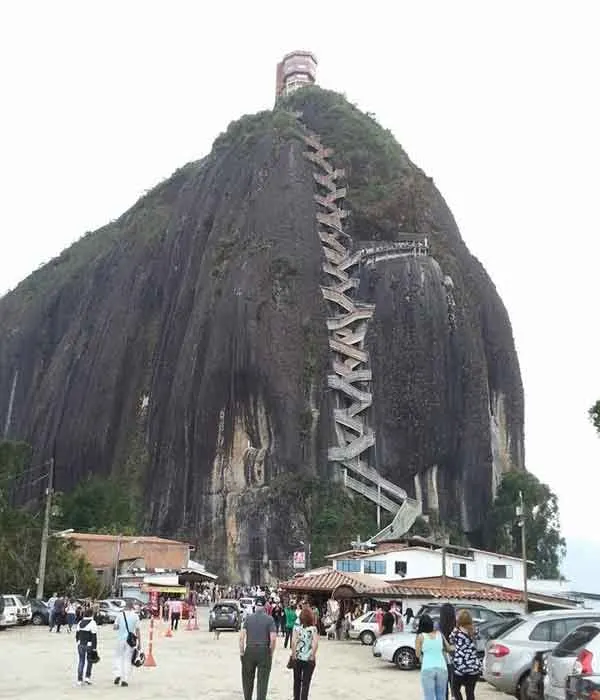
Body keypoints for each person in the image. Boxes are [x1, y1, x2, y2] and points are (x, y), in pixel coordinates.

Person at [239, 596, 277, 700]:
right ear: (265, 606)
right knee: (262, 682)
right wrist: (271, 652)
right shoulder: (270, 619)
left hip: (250, 649)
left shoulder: (248, 618)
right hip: (264, 650)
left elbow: (241, 638)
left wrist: (242, 652)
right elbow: (273, 639)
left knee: (247, 679)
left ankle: (247, 698)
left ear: (255, 606)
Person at [416, 614, 455, 700]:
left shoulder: (420, 637)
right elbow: (448, 648)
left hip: (427, 668)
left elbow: (417, 654)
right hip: (442, 667)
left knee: (429, 697)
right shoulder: (439, 634)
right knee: (441, 696)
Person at [449, 610, 481, 700]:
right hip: (473, 667)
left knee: (455, 689)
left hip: (460, 667)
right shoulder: (475, 630)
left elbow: (451, 641)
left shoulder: (456, 632)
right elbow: (478, 638)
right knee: (470, 692)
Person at [291, 606, 319, 700]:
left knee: (297, 681)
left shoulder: (296, 628)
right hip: (309, 659)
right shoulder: (313, 629)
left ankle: (296, 698)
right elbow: (315, 643)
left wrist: (294, 655)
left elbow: (293, 642)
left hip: (298, 658)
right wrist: (312, 655)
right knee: (306, 683)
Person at [113, 600, 141, 687]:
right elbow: (137, 630)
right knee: (127, 659)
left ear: (125, 607)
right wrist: (139, 643)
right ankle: (125, 679)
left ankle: (118, 674)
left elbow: (115, 627)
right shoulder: (135, 616)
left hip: (120, 640)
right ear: (132, 607)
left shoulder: (120, 615)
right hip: (130, 641)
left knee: (118, 657)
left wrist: (120, 627)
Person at [75, 607, 98, 686]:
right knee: (90, 661)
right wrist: (94, 648)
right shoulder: (93, 623)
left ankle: (79, 679)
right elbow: (94, 636)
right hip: (89, 645)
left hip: (80, 644)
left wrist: (78, 642)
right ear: (92, 614)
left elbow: (77, 635)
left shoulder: (80, 622)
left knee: (81, 661)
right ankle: (87, 678)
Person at [439, 603, 457, 700]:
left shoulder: (438, 627)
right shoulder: (457, 628)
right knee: (455, 687)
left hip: (442, 660)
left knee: (443, 688)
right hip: (455, 659)